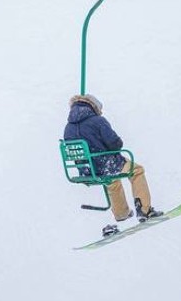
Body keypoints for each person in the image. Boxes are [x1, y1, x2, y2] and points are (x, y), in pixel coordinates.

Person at [63, 94, 162, 235]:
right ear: (93, 107)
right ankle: (145, 210)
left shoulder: (68, 128)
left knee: (111, 179)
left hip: (87, 170)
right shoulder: (98, 121)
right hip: (106, 164)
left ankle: (121, 213)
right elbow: (115, 144)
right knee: (136, 170)